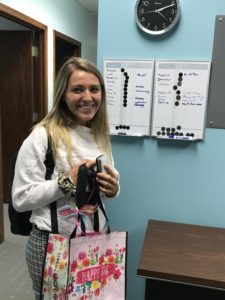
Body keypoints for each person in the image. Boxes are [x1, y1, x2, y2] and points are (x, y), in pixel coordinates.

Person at [11, 57, 120, 300]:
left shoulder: (99, 133)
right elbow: (20, 199)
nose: (88, 97)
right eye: (77, 89)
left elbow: (109, 178)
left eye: (94, 89)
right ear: (63, 94)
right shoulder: (43, 136)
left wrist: (113, 188)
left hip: (94, 239)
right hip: (53, 244)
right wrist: (66, 181)